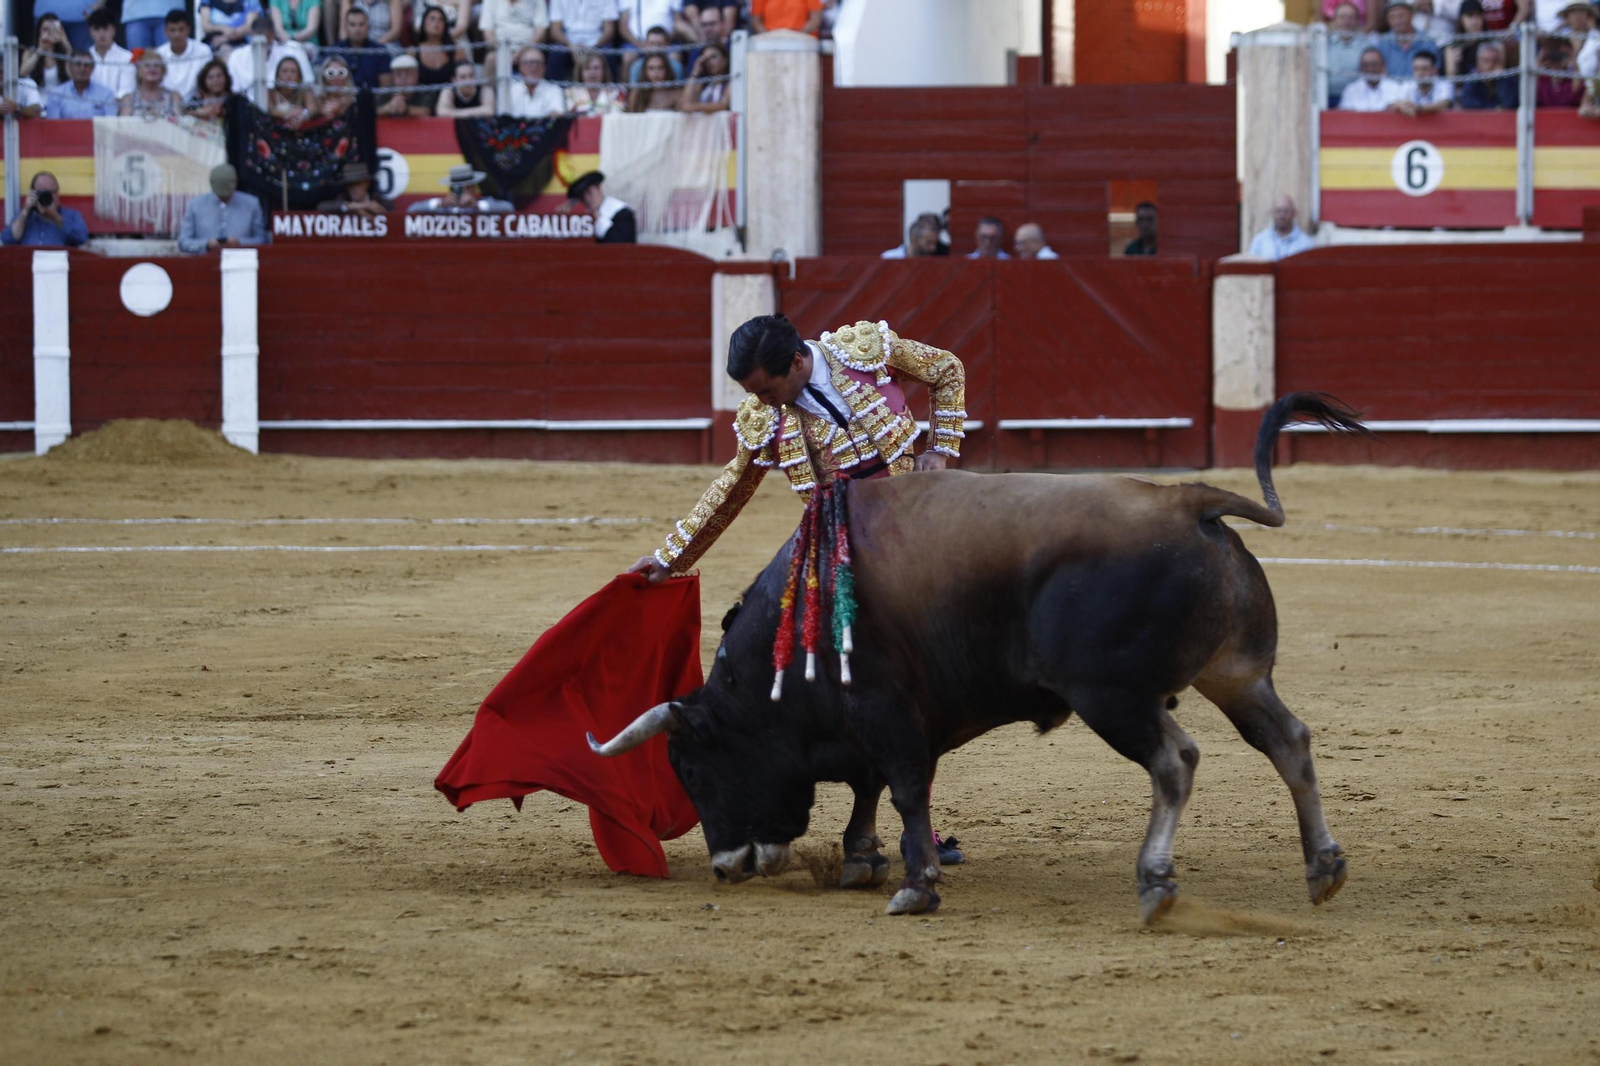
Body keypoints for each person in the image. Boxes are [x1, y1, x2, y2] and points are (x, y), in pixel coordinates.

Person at [626, 313, 970, 866]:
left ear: (796, 362)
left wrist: (943, 447)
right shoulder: (766, 419)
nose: (761, 403)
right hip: (847, 552)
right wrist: (671, 558)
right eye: (752, 394)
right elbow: (731, 488)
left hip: (924, 528)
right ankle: (899, 830)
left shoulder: (863, 351)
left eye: (766, 389)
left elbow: (946, 370)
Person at [178, 164, 269, 253]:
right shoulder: (195, 205)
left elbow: (262, 241)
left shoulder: (252, 204)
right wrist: (206, 245)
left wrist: (240, 243)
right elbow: (183, 244)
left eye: (227, 195)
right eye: (220, 195)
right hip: (204, 263)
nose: (224, 198)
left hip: (241, 263)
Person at [226, 15, 312, 103]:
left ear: (273, 35)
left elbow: (308, 85)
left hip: (286, 106)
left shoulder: (294, 51)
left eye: (266, 39)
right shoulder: (237, 56)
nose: (262, 44)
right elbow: (233, 91)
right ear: (251, 35)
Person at [2, 172, 87, 247]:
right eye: (41, 193)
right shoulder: (24, 216)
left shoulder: (72, 215)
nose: (46, 197)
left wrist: (55, 216)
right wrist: (26, 210)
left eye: (50, 193)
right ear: (33, 193)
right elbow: (7, 239)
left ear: (57, 194)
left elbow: (81, 238)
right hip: (29, 264)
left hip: (58, 263)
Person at [550, 0, 621, 81]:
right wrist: (571, 46)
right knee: (555, 55)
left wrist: (593, 48)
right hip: (568, 40)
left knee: (609, 54)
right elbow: (555, 31)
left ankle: (610, 91)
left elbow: (609, 30)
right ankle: (557, 91)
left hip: (597, 41)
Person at [327, 5, 393, 90]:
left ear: (368, 26)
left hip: (371, 100)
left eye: (361, 24)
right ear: (345, 27)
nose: (357, 29)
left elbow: (385, 88)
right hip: (340, 99)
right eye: (352, 25)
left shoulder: (379, 51)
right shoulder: (336, 51)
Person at [480, 0, 551, 75]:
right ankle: (488, 87)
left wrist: (521, 52)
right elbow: (487, 32)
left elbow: (541, 31)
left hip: (528, 49)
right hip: (500, 49)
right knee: (491, 59)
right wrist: (503, 52)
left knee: (533, 59)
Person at [406, 164, 515, 212]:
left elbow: (508, 208)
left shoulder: (482, 205)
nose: (461, 191)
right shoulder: (443, 208)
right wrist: (439, 204)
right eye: (456, 188)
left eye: (466, 187)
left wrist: (477, 206)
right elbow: (412, 209)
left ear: (472, 188)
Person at [157, 10, 215, 100]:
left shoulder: (203, 51)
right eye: (172, 30)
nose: (177, 35)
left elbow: (209, 83)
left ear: (188, 29)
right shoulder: (159, 54)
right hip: (167, 105)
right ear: (165, 31)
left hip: (198, 103)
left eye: (181, 29)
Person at [567, 170, 636, 242]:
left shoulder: (623, 214)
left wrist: (599, 219)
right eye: (582, 196)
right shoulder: (584, 218)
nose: (587, 198)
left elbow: (621, 244)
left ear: (598, 188)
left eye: (589, 192)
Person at [414, 4, 468, 95]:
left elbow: (465, 77)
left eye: (441, 20)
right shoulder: (414, 51)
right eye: (432, 19)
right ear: (424, 22)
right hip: (422, 100)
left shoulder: (456, 50)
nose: (436, 23)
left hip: (450, 98)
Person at [47, 51, 119, 118]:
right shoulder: (56, 94)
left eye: (86, 65)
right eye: (78, 64)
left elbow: (110, 126)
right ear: (70, 67)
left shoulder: (106, 94)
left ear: (92, 68)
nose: (82, 68)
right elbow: (53, 126)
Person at [1327, 2, 1372, 106]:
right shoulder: (1325, 43)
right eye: (1342, 17)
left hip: (1358, 100)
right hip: (1328, 97)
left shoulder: (1367, 45)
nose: (1346, 22)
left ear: (1357, 21)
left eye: (1351, 18)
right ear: (1335, 20)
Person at [1247, 195, 1316, 260]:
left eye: (1286, 211)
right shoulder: (1260, 240)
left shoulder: (1306, 243)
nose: (1282, 215)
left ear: (1294, 213)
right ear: (1272, 213)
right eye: (1278, 211)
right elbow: (1252, 268)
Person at [88, 10, 136, 100]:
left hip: (117, 107)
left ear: (113, 31)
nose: (102, 33)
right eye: (97, 29)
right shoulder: (85, 58)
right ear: (91, 32)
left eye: (105, 28)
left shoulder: (127, 57)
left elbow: (126, 90)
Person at [21, 15, 74, 97]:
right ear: (39, 31)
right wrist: (40, 50)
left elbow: (73, 78)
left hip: (60, 101)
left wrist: (68, 49)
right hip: (37, 102)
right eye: (45, 29)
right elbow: (23, 72)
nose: (49, 33)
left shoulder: (64, 52)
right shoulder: (30, 52)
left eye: (53, 29)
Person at [505, 45, 566, 116]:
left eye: (538, 63)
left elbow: (557, 115)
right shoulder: (511, 91)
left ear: (544, 68)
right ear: (520, 67)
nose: (534, 67)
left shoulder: (554, 90)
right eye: (530, 63)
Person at [1376, 2, 1434, 74]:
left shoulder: (1426, 40)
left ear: (1411, 16)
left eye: (1401, 16)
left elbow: (1434, 69)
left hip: (1420, 84)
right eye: (1392, 17)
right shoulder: (1383, 42)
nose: (1397, 21)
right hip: (1391, 84)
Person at [120, 53, 186, 117]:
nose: (152, 68)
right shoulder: (129, 98)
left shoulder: (174, 97)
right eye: (147, 66)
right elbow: (123, 125)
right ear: (139, 72)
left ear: (163, 71)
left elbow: (180, 124)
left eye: (156, 66)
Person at [1458, 40, 1521, 105]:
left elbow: (1508, 104)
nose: (1491, 65)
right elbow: (1470, 106)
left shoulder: (1511, 82)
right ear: (1478, 63)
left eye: (1495, 61)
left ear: (1502, 63)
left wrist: (1502, 78)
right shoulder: (1471, 81)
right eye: (1486, 61)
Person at [1339, 46, 1405, 108]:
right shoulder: (1351, 91)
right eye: (1366, 65)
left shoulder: (1396, 89)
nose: (1370, 69)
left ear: (1383, 65)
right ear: (1360, 67)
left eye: (1374, 64)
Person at [316, 162, 394, 214]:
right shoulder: (342, 199)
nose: (353, 188)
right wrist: (352, 206)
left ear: (367, 183)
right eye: (350, 185)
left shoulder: (380, 202)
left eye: (357, 184)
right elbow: (321, 206)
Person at [200, 0, 265, 56]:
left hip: (243, 43)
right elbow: (206, 26)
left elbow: (250, 26)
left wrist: (226, 38)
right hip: (213, 42)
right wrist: (223, 28)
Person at [267, 55, 317, 126]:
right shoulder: (270, 93)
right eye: (285, 71)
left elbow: (312, 108)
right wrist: (291, 113)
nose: (289, 75)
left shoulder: (306, 91)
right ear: (277, 76)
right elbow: (271, 110)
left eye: (293, 71)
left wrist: (304, 113)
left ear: (299, 77)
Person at [1536, 36, 1584, 107]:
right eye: (1553, 55)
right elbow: (1530, 85)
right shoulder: (1543, 80)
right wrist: (1543, 55)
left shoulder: (1570, 79)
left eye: (1560, 55)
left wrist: (1571, 57)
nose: (1556, 58)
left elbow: (1576, 89)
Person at [1445, 0, 1487, 77]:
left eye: (1479, 15)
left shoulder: (1490, 42)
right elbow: (1452, 80)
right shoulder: (1453, 47)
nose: (1475, 21)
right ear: (1461, 19)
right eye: (1470, 15)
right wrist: (1456, 65)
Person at [316, 54, 358, 121]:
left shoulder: (355, 99)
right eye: (331, 73)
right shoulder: (317, 99)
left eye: (340, 73)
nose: (336, 78)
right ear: (324, 76)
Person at [1564, 1, 1600, 75]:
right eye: (1573, 11)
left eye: (1582, 11)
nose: (1578, 15)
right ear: (1567, 17)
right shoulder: (1559, 38)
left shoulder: (1597, 39)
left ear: (1588, 16)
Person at [749, 0, 822, 34]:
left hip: (801, 42)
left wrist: (797, 37)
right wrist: (769, 38)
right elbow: (756, 21)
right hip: (769, 41)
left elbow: (815, 19)